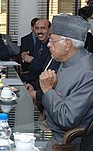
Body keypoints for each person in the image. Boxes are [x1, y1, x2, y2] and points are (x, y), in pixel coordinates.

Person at [39, 14, 93, 146]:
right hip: (49, 127)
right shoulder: (66, 60)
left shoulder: (87, 73)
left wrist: (48, 90)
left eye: (52, 41)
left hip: (65, 142)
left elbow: (67, 119)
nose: (48, 45)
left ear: (67, 44)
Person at [21, 18, 51, 85]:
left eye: (43, 28)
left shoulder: (52, 46)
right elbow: (32, 68)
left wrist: (31, 60)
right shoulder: (38, 43)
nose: (39, 31)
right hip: (31, 81)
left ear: (49, 30)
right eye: (37, 28)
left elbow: (46, 69)